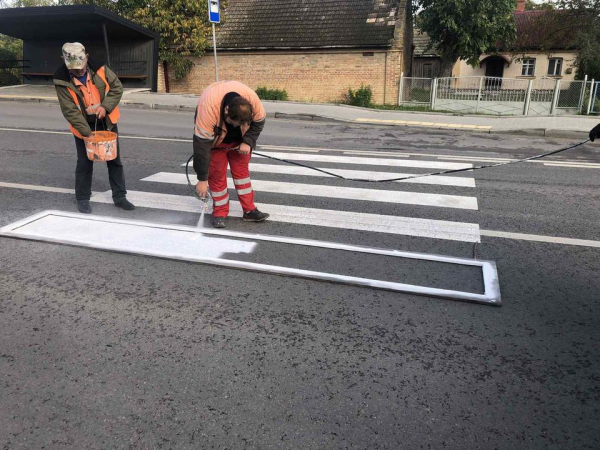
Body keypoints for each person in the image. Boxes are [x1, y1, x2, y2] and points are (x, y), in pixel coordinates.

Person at [53, 42, 134, 214]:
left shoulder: (101, 69)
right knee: (84, 163)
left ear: (87, 58)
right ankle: (82, 198)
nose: (79, 71)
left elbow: (117, 88)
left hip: (107, 120)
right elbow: (70, 111)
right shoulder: (61, 79)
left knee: (114, 160)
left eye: (81, 66)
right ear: (64, 61)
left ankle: (120, 197)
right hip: (82, 125)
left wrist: (105, 107)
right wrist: (88, 135)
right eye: (74, 69)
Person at [193, 80, 269, 228]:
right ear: (226, 111)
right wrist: (202, 179)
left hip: (240, 143)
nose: (236, 126)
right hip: (216, 142)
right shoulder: (208, 109)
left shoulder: (252, 101)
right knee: (216, 174)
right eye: (233, 123)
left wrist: (247, 141)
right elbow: (201, 146)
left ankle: (249, 211)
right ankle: (220, 212)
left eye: (240, 124)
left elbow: (259, 122)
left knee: (242, 176)